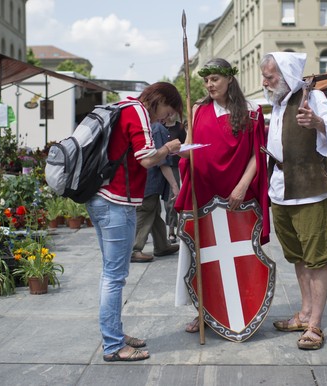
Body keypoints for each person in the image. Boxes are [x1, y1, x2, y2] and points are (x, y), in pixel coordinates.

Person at [85, 82, 183, 362]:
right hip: (115, 202)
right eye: (168, 110)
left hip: (101, 198)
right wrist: (168, 147)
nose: (166, 118)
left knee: (111, 274)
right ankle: (114, 345)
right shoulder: (138, 111)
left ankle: (114, 332)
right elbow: (146, 159)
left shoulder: (123, 106)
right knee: (114, 277)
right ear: (159, 100)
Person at [174, 58, 270, 333]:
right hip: (204, 195)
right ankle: (204, 312)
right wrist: (179, 151)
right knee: (202, 256)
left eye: (214, 78)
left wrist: (241, 186)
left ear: (229, 78)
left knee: (241, 257)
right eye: (206, 80)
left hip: (238, 198)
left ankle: (244, 310)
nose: (209, 84)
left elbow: (257, 155)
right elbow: (190, 148)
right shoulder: (198, 109)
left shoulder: (252, 111)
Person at [260, 52, 327, 350]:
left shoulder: (314, 98)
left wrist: (317, 122)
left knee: (316, 258)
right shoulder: (278, 103)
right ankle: (305, 312)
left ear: (285, 76)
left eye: (269, 77)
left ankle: (315, 326)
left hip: (309, 191)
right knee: (297, 256)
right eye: (265, 76)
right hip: (281, 190)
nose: (265, 81)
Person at [131, 121, 180, 263]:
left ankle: (161, 245)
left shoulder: (148, 126)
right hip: (149, 182)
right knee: (145, 212)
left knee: (153, 212)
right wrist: (174, 185)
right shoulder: (157, 129)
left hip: (146, 181)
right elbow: (162, 161)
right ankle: (134, 249)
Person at [163, 119, 186, 244]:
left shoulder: (180, 127)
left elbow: (186, 145)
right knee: (159, 202)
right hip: (160, 165)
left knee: (172, 199)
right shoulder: (159, 126)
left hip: (174, 166)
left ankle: (172, 230)